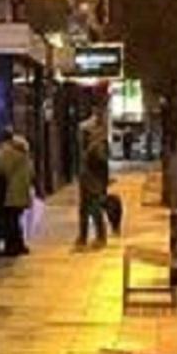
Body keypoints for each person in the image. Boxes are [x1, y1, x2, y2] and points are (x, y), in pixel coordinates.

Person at [0, 127, 35, 257]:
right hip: (22, 189)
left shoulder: (8, 151)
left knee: (9, 220)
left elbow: (0, 169)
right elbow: (32, 172)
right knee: (15, 220)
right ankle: (19, 245)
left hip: (11, 190)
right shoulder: (23, 151)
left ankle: (11, 247)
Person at [79, 104, 112, 247]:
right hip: (88, 182)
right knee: (85, 210)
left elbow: (102, 166)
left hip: (93, 184)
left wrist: (103, 186)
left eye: (85, 134)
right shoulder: (92, 147)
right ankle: (83, 237)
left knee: (94, 210)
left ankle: (99, 237)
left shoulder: (97, 147)